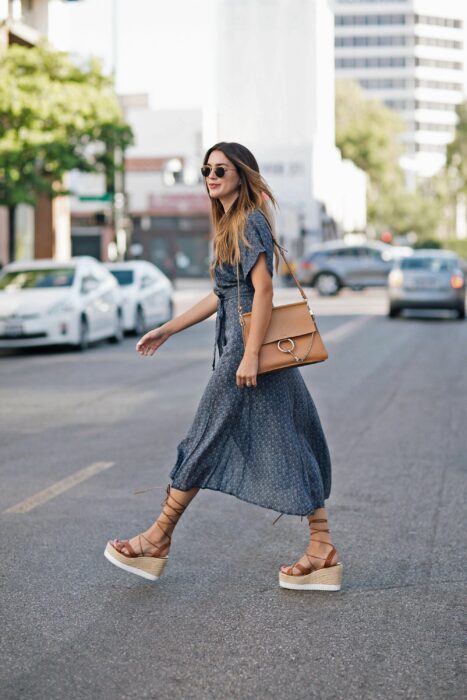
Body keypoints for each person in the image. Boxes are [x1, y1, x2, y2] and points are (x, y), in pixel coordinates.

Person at [104, 142, 343, 591]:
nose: (211, 176)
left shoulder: (249, 219)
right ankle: (321, 547)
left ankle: (157, 539)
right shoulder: (231, 223)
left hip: (248, 346)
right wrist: (168, 328)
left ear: (241, 175)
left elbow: (263, 291)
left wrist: (251, 354)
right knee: (293, 434)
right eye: (206, 169)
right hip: (247, 341)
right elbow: (222, 296)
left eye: (220, 169)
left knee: (207, 433)